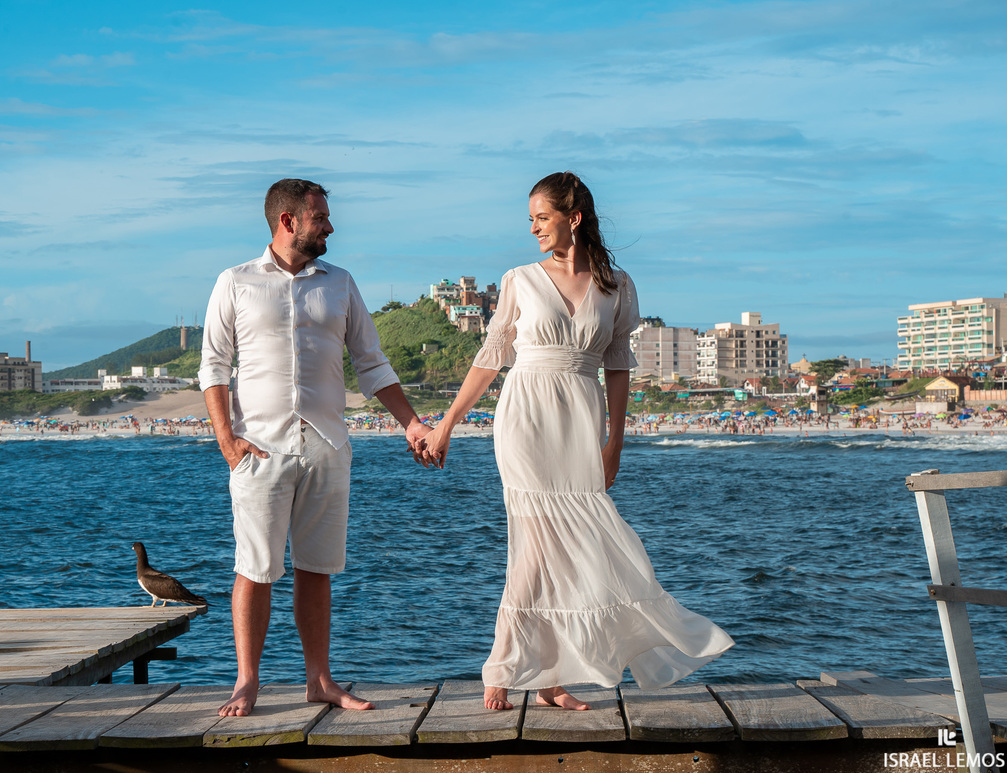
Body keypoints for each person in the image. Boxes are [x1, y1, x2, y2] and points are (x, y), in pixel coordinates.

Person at [422, 172, 733, 710]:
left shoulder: (617, 286)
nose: (535, 229)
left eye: (542, 218)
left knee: (575, 542)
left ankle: (546, 677)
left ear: (575, 217)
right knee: (535, 540)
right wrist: (447, 423)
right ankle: (506, 665)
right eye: (531, 221)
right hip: (526, 415)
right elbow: (492, 357)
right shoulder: (519, 279)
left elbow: (618, 369)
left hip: (580, 417)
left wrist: (615, 441)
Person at [200, 178, 434, 717]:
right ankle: (247, 681)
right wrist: (226, 440)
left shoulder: (340, 283)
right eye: (320, 217)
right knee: (255, 568)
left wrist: (412, 424)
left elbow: (372, 363)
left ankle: (319, 680)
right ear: (288, 221)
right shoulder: (234, 283)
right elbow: (213, 366)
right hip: (259, 449)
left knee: (317, 568)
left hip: (328, 445)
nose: (330, 225)